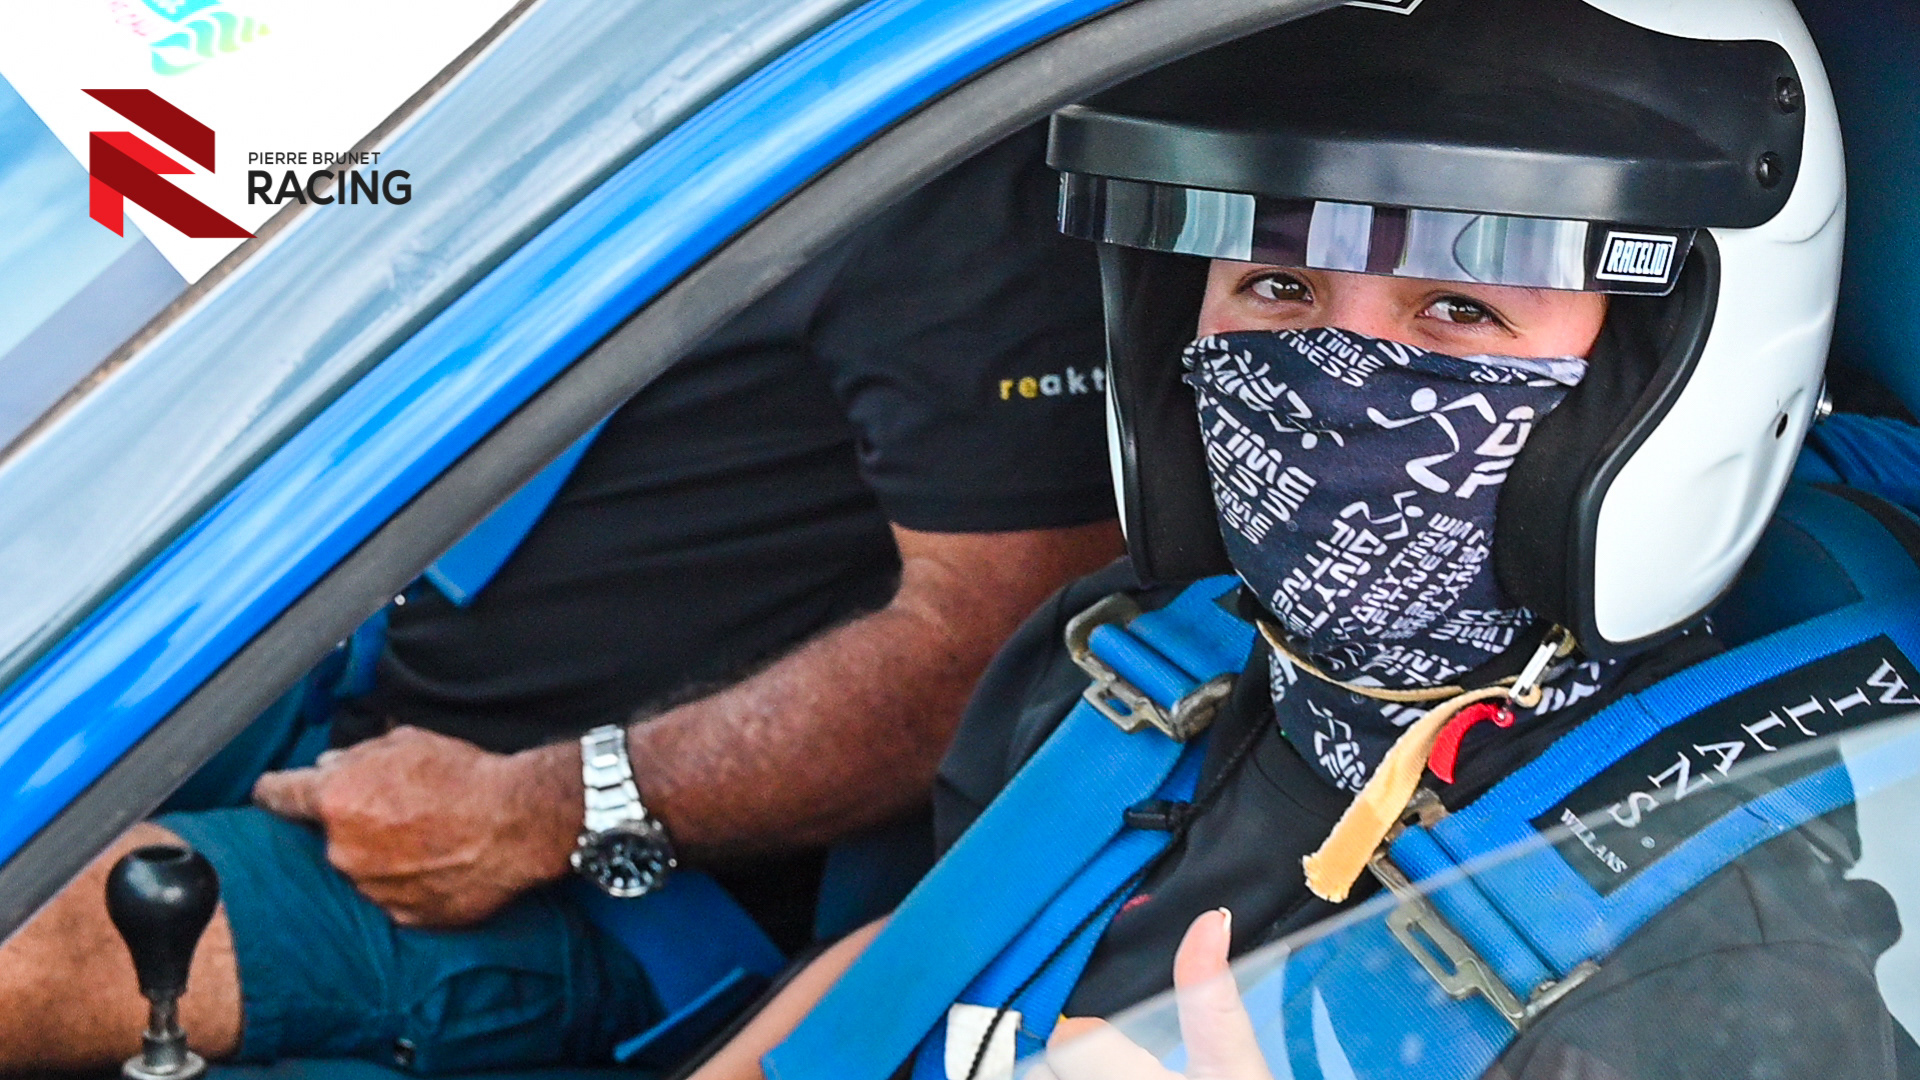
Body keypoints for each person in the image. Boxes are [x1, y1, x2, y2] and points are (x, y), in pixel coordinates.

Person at [678, 2, 1912, 1078]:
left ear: (1658, 388)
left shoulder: (1715, 971)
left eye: (1460, 307)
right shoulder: (1124, 671)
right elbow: (917, 964)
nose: (1332, 375)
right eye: (1277, 288)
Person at [0, 123, 1124, 1073]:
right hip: (345, 656)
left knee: (38, 945)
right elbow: (244, 193)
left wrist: (546, 810)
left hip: (597, 875)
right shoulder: (612, 64)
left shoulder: (938, 161)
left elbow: (994, 654)